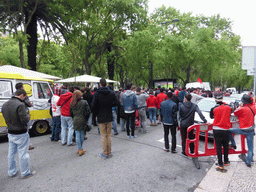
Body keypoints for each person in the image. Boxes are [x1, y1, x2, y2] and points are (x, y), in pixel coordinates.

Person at [2, 89, 35, 178]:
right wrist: (28, 117)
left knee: (11, 153)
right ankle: (25, 172)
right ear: (21, 95)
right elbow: (24, 120)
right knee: (23, 153)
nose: (24, 99)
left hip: (10, 131)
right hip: (20, 132)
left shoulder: (5, 104)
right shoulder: (20, 105)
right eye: (24, 97)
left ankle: (12, 171)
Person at [91, 78, 120, 158]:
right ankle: (109, 152)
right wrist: (111, 104)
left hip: (100, 116)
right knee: (109, 135)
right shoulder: (111, 93)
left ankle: (105, 153)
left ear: (100, 84)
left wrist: (96, 112)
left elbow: (93, 106)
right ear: (106, 84)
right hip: (109, 115)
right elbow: (118, 103)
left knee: (103, 135)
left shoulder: (97, 93)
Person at [229, 94, 256, 167]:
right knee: (250, 148)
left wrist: (240, 106)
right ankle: (248, 162)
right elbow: (253, 103)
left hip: (243, 130)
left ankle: (233, 144)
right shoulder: (253, 107)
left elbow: (235, 113)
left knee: (229, 130)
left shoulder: (242, 108)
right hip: (251, 130)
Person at [210, 93, 232, 170]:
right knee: (226, 145)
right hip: (226, 129)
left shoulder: (214, 109)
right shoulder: (229, 107)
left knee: (218, 147)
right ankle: (226, 161)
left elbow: (211, 116)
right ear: (222, 99)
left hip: (216, 129)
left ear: (215, 100)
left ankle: (220, 163)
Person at [70, 90, 90, 156]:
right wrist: (86, 118)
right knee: (81, 135)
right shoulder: (84, 102)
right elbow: (88, 112)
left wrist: (74, 118)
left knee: (77, 134)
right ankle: (80, 149)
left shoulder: (72, 103)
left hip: (75, 120)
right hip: (82, 119)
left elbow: (71, 113)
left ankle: (79, 149)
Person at [15, 82, 34, 150]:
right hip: (24, 113)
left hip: (16, 114)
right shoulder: (23, 94)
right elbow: (28, 103)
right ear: (22, 87)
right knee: (26, 131)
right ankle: (28, 145)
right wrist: (31, 104)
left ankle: (18, 144)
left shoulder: (14, 94)